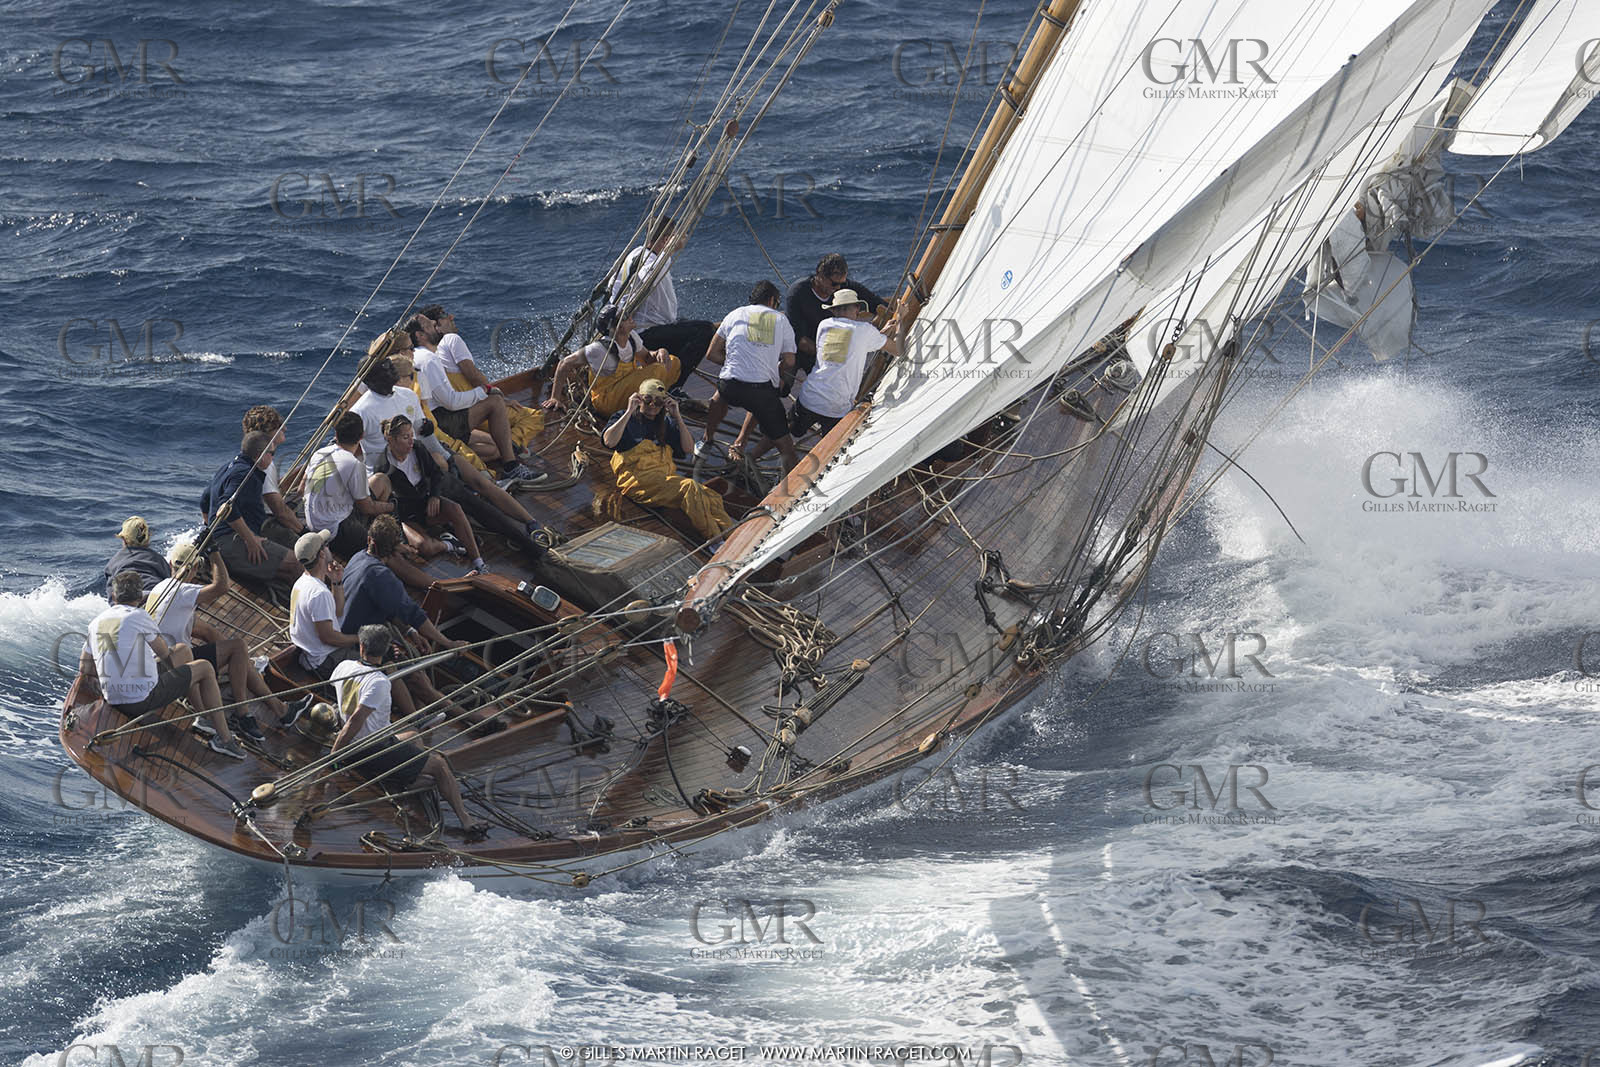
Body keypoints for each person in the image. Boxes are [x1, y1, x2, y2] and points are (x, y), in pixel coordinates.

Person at [338, 517, 503, 731]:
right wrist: (447, 643)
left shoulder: (358, 558)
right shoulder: (380, 576)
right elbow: (413, 613)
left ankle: (423, 711)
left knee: (416, 672)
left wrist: (411, 632)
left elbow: (390, 608)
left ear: (370, 540)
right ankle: (476, 721)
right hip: (362, 644)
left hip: (361, 631)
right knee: (420, 683)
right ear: (395, 549)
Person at [329, 624, 489, 840]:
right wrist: (335, 758)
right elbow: (356, 720)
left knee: (414, 736)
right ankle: (467, 821)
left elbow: (345, 714)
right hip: (370, 749)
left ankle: (403, 775)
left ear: (361, 646)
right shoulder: (379, 682)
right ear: (385, 651)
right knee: (439, 765)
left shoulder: (343, 667)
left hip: (365, 742)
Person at [78, 570, 245, 759]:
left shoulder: (96, 622)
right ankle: (225, 740)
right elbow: (164, 653)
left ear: (114, 595)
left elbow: (85, 668)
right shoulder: (139, 616)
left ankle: (204, 717)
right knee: (204, 667)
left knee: (182, 650)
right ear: (140, 596)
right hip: (141, 699)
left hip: (113, 697)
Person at [145, 542, 303, 742]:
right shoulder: (183, 591)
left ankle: (281, 710)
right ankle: (244, 714)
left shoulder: (160, 588)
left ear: (169, 564)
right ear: (195, 568)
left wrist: (242, 663)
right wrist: (215, 553)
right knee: (238, 647)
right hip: (173, 665)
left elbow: (205, 631)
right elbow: (222, 587)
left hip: (159, 662)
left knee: (238, 653)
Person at [375, 413, 552, 568]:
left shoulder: (417, 448)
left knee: (480, 508)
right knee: (424, 546)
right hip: (415, 511)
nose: (411, 441)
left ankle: (531, 545)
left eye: (412, 436)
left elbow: (436, 473)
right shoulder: (384, 467)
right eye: (406, 438)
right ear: (391, 439)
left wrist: (435, 496)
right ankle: (454, 538)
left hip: (437, 490)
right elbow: (392, 505)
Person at [408, 313, 538, 482]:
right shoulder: (429, 360)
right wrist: (484, 391)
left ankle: (492, 452)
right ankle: (511, 467)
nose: (434, 322)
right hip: (442, 419)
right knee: (495, 402)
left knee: (494, 449)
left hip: (432, 419)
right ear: (420, 335)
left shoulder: (417, 356)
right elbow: (452, 403)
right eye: (428, 323)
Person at [601, 380, 732, 542]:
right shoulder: (624, 418)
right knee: (689, 487)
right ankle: (715, 540)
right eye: (648, 400)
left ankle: (732, 533)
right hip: (637, 483)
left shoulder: (665, 423)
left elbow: (689, 448)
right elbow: (609, 442)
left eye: (658, 402)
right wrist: (629, 411)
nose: (652, 406)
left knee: (710, 495)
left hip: (662, 480)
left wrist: (677, 416)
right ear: (639, 398)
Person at [698, 281, 799, 471]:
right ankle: (799, 489)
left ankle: (706, 440)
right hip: (760, 392)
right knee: (786, 446)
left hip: (730, 387)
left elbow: (711, 354)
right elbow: (791, 361)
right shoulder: (780, 320)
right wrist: (779, 373)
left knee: (719, 396)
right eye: (777, 304)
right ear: (771, 300)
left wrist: (733, 364)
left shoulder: (734, 314)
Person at [609, 218, 715, 389]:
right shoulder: (653, 263)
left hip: (638, 329)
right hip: (643, 334)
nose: (683, 239)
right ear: (667, 239)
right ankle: (674, 386)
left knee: (687, 324)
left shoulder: (636, 253)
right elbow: (647, 275)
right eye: (679, 236)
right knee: (704, 331)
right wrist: (670, 250)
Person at [420, 303, 545, 446]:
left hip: (459, 415)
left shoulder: (428, 352)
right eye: (444, 315)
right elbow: (473, 376)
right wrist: (501, 399)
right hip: (475, 408)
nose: (451, 316)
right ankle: (510, 446)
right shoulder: (451, 339)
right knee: (535, 417)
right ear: (437, 326)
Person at [789, 288, 901, 439]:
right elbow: (898, 350)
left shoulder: (824, 325)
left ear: (834, 311)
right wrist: (901, 320)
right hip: (836, 408)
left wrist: (882, 332)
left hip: (809, 398)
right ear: (856, 308)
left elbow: (854, 344)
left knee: (790, 432)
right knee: (831, 449)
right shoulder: (865, 330)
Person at [543, 304, 680, 417]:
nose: (631, 317)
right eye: (625, 317)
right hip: (607, 400)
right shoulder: (599, 349)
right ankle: (649, 405)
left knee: (672, 362)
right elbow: (565, 363)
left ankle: (653, 400)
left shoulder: (631, 337)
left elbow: (646, 358)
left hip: (627, 386)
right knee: (658, 369)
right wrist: (555, 398)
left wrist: (661, 351)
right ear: (616, 327)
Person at [200, 431, 301, 583]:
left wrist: (211, 529)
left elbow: (205, 499)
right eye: (272, 453)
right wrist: (250, 539)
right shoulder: (245, 474)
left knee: (285, 572)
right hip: (229, 542)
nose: (273, 457)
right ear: (261, 454)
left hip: (218, 540)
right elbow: (226, 506)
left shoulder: (228, 467)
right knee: (298, 564)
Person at [304, 411, 396, 559]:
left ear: (336, 434)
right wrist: (393, 506)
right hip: (335, 532)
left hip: (313, 524)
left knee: (380, 480)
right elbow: (367, 507)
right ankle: (373, 537)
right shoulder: (354, 464)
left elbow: (302, 487)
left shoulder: (319, 453)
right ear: (361, 436)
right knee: (384, 551)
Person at [785, 253, 888, 375]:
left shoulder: (843, 287)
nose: (838, 288)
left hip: (837, 350)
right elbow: (798, 338)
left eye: (841, 283)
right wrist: (828, 355)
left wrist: (877, 324)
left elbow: (878, 305)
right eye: (834, 284)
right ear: (820, 275)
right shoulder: (797, 293)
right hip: (809, 350)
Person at [289, 530, 360, 679]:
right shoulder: (319, 593)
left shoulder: (301, 583)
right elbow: (329, 638)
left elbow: (338, 612)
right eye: (326, 546)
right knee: (382, 664)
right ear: (322, 554)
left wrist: (336, 581)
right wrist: (359, 639)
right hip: (324, 661)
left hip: (313, 656)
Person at [241, 405, 307, 547]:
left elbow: (273, 487)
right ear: (267, 433)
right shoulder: (264, 465)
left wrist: (307, 467)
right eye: (279, 426)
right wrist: (305, 532)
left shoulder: (253, 457)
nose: (285, 428)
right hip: (263, 524)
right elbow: (280, 512)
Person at [103, 516, 171, 598]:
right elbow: (169, 580)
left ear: (123, 539)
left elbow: (111, 592)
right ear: (148, 537)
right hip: (155, 597)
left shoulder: (113, 562)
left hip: (128, 600)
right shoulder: (157, 558)